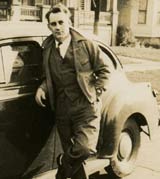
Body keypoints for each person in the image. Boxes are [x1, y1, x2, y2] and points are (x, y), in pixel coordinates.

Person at [35, 3, 111, 179]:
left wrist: (97, 91)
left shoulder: (86, 44)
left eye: (61, 22)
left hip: (86, 106)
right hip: (62, 109)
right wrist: (42, 87)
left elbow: (104, 70)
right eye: (53, 24)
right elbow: (49, 75)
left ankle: (62, 164)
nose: (58, 27)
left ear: (69, 21)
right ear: (49, 26)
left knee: (85, 148)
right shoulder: (47, 48)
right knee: (76, 162)